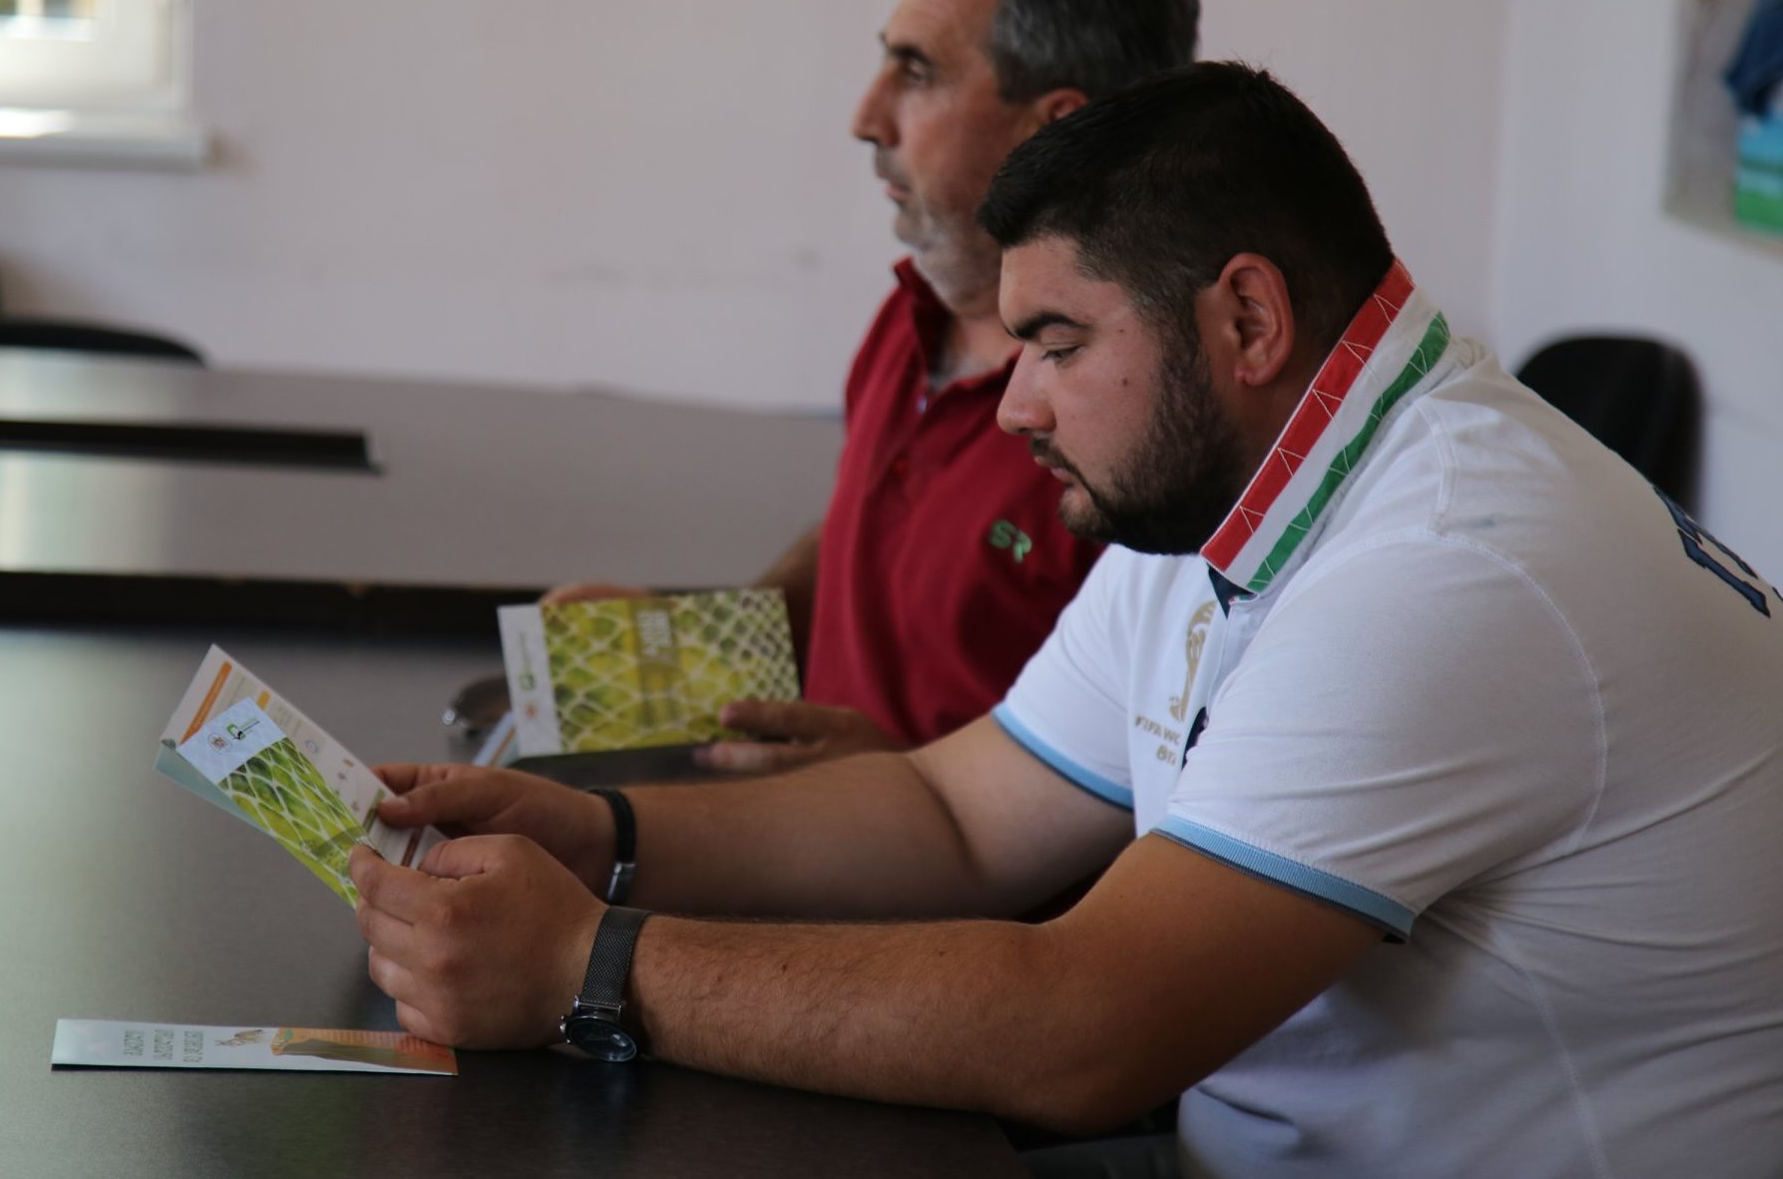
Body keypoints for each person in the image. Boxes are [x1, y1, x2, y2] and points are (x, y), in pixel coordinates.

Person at [350, 63, 1783, 1175]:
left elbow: (1085, 1028)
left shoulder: (1454, 565)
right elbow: (957, 817)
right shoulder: (1244, 476)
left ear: (1246, 321)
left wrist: (585, 966)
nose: (1015, 406)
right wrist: (597, 837)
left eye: (1054, 344)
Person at [546, 0, 1200, 771]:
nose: (866, 116)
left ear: (1053, 127)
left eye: (916, 72)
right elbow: (865, 542)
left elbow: (1153, 794)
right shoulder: (909, 313)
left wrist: (892, 784)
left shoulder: (1145, 422)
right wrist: (709, 644)